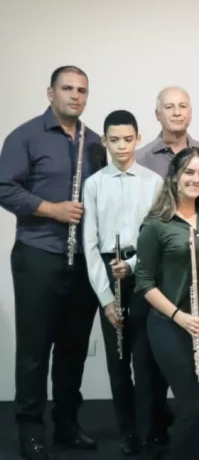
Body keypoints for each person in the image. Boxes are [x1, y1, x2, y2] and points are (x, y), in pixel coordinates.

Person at [0, 65, 106, 459]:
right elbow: (3, 187)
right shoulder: (25, 136)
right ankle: (30, 428)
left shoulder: (95, 143)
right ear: (50, 93)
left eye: (82, 90)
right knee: (33, 349)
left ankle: (66, 424)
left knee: (73, 348)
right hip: (38, 254)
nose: (75, 96)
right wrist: (50, 209)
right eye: (67, 89)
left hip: (81, 260)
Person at [135, 85, 199, 446]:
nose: (196, 179)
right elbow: (145, 280)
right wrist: (179, 316)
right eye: (189, 173)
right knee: (192, 405)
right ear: (175, 177)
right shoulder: (157, 223)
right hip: (171, 325)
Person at [82, 110, 163, 457]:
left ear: (138, 138)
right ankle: (126, 431)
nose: (121, 146)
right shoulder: (94, 183)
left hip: (141, 269)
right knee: (118, 360)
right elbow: (89, 242)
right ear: (104, 141)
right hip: (106, 269)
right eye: (114, 140)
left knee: (145, 361)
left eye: (128, 139)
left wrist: (130, 265)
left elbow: (154, 234)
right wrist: (106, 299)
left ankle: (148, 431)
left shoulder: (153, 181)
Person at [136, 86, 199, 177]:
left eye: (182, 106)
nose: (177, 113)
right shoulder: (140, 159)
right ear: (157, 114)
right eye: (169, 107)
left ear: (190, 113)